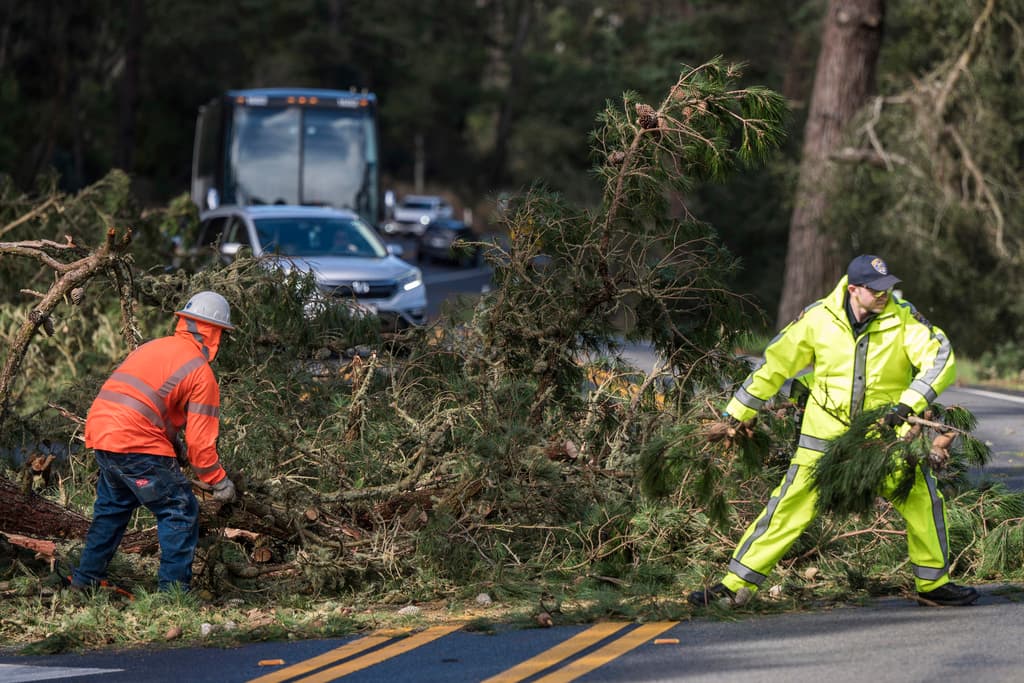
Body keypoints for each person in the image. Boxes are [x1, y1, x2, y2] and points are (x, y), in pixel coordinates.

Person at [689, 255, 978, 607]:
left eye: (887, 288)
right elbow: (775, 366)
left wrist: (908, 404)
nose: (884, 295)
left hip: (883, 439)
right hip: (822, 438)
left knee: (923, 500)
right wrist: (736, 412)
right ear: (853, 289)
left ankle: (933, 585)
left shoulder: (903, 318)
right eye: (875, 290)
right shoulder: (818, 319)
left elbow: (940, 358)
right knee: (787, 509)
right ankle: (735, 586)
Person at [71, 291, 238, 592]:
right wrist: (219, 481)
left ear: (184, 322)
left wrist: (174, 448)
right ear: (215, 334)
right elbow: (202, 445)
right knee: (178, 508)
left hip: (102, 434)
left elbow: (146, 402)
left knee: (111, 510)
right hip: (135, 441)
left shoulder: (154, 347)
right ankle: (173, 596)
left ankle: (85, 582)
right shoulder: (202, 373)